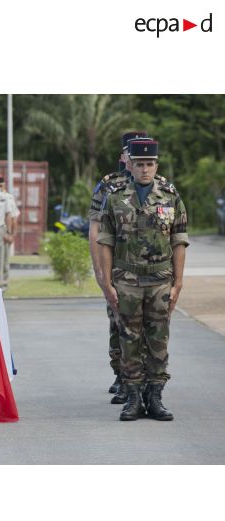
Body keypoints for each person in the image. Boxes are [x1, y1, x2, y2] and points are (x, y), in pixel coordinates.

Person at [97, 139, 189, 421]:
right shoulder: (114, 197)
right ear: (130, 165)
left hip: (160, 280)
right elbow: (105, 241)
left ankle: (156, 396)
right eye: (140, 164)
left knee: (158, 340)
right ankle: (134, 398)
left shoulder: (170, 196)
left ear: (156, 165)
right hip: (126, 280)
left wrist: (179, 282)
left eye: (150, 164)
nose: (145, 169)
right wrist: (108, 282)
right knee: (129, 340)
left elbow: (179, 240)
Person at [89, 131, 152, 404]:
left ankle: (145, 381)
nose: (136, 159)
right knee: (119, 324)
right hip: (118, 269)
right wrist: (100, 273)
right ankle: (123, 376)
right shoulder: (108, 186)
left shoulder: (158, 186)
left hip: (151, 272)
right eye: (130, 152)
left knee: (150, 328)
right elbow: (95, 232)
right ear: (123, 156)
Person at [0, 175, 19, 288]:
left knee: (4, 260)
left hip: (5, 231)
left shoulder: (8, 197)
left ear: (4, 185)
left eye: (1, 185)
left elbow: (14, 218)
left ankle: (4, 283)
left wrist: (12, 235)